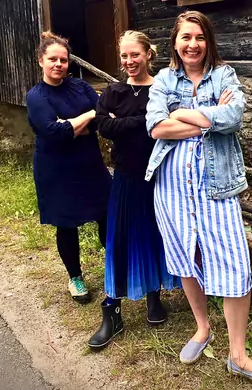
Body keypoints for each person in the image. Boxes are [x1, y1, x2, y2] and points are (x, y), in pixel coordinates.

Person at [145, 10, 252, 379]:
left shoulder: (224, 75)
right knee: (186, 256)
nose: (193, 45)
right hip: (171, 188)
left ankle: (237, 353)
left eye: (200, 37)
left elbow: (234, 117)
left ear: (209, 42)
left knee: (236, 262)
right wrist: (209, 118)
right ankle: (202, 327)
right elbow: (157, 128)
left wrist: (183, 112)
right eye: (186, 37)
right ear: (174, 42)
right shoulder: (162, 79)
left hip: (216, 186)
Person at [87, 30, 182, 350]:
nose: (129, 61)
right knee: (120, 240)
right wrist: (141, 122)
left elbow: (160, 130)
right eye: (124, 56)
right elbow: (104, 126)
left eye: (135, 55)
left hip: (159, 176)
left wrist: (126, 121)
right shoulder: (113, 91)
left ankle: (154, 297)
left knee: (155, 236)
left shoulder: (163, 89)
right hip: (126, 178)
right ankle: (112, 312)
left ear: (148, 54)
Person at [25, 31, 112, 303]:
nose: (59, 65)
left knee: (107, 214)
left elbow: (102, 121)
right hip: (55, 169)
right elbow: (54, 132)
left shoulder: (82, 88)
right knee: (66, 224)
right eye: (53, 59)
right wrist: (85, 116)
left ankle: (114, 267)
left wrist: (71, 124)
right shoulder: (36, 96)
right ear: (41, 60)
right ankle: (75, 277)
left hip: (89, 163)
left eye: (63, 60)